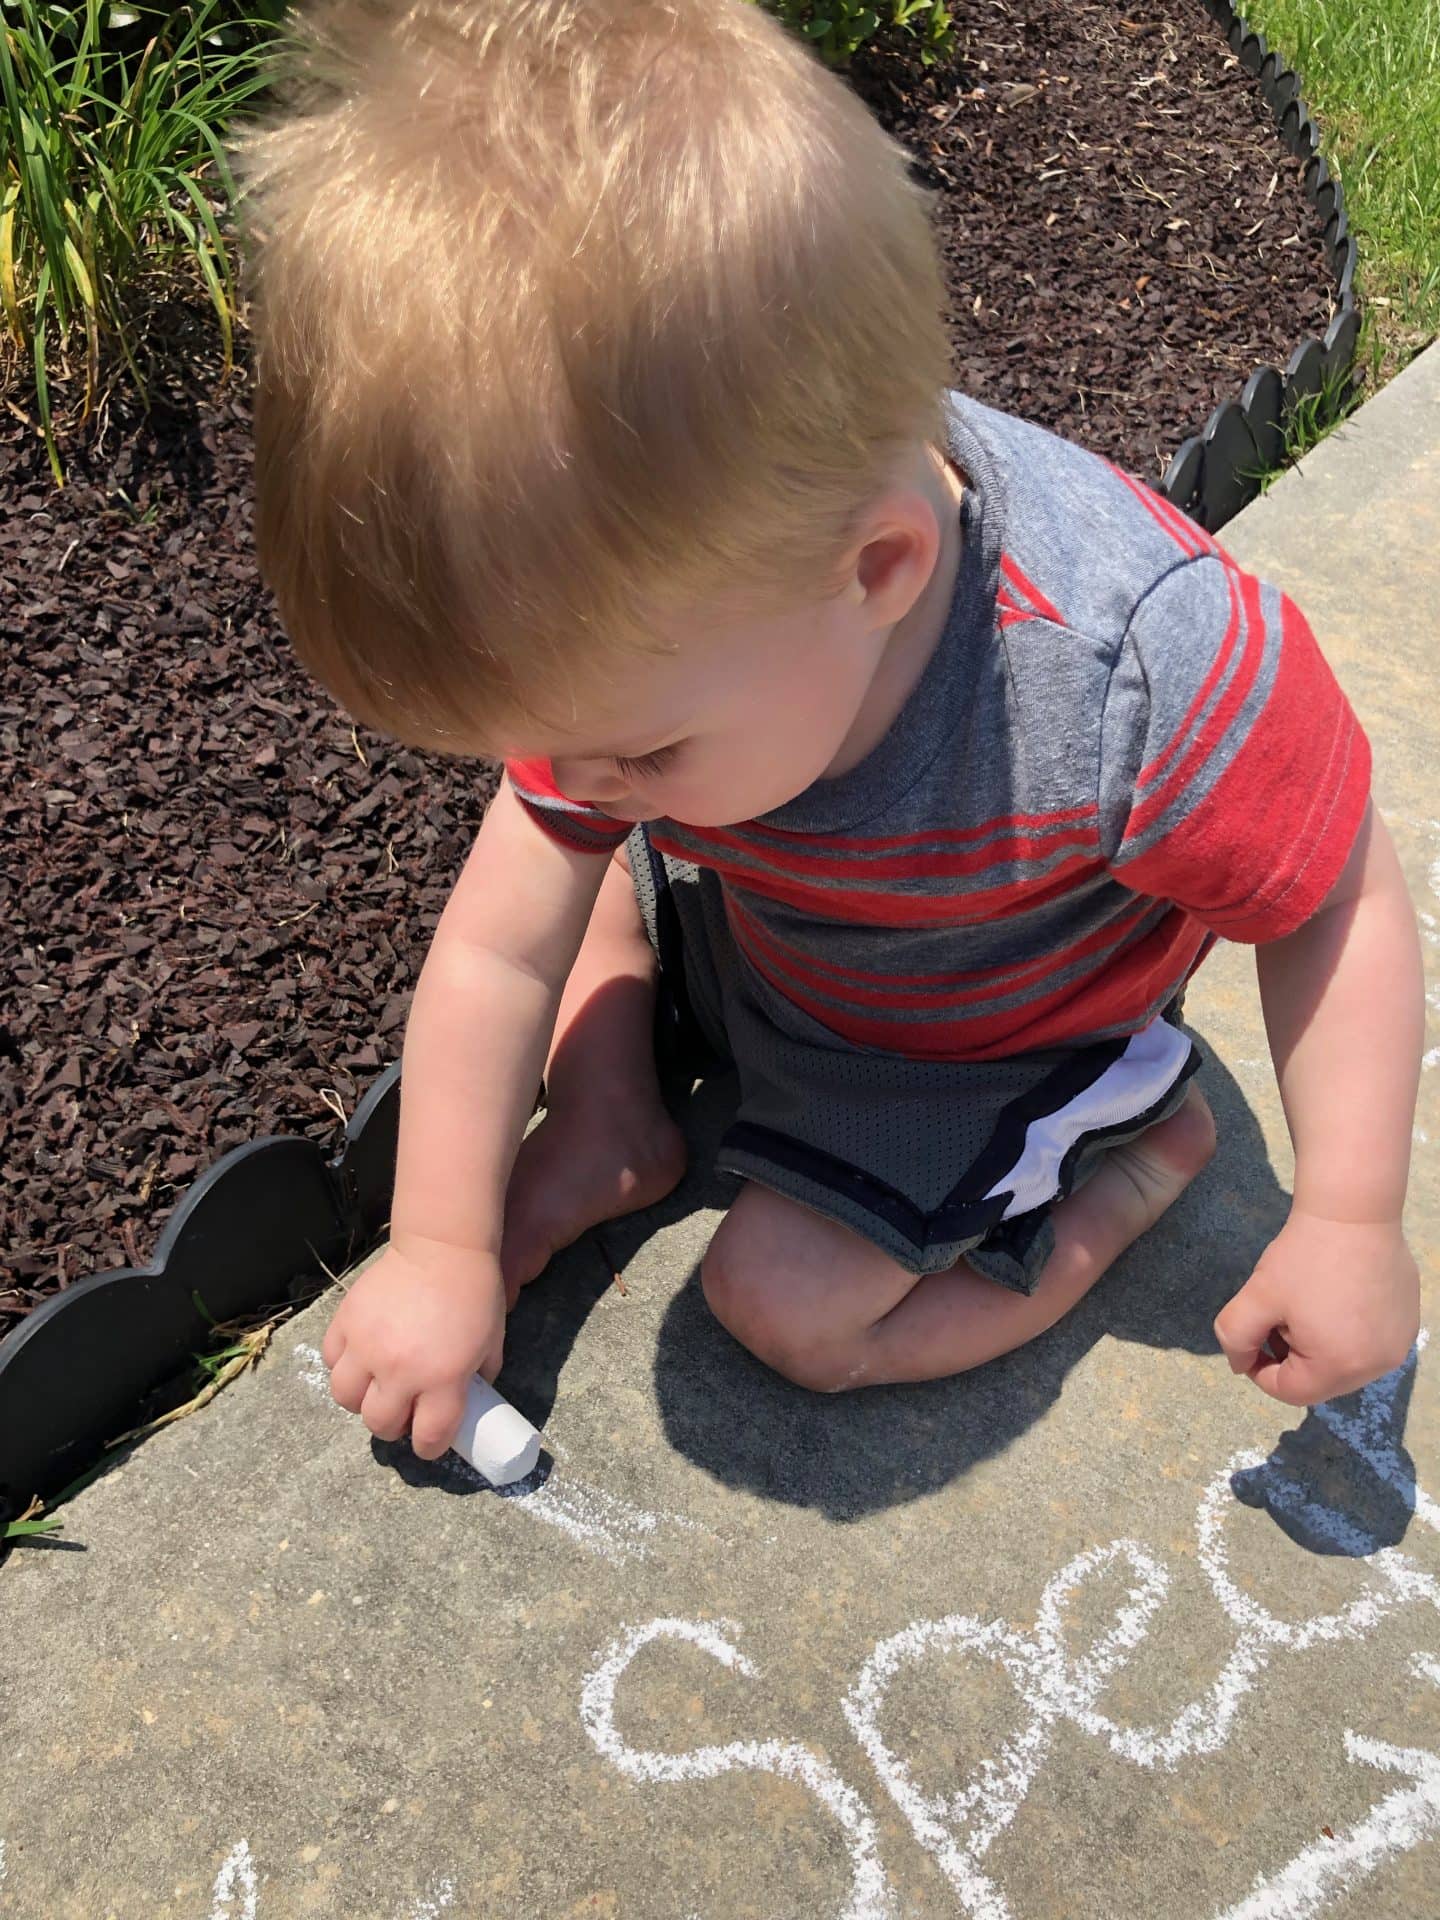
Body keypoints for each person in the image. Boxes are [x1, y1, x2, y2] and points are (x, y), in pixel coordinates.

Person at [241, 0, 1422, 1462]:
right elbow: (495, 945)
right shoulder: (702, 620)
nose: (583, 772)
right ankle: (618, 1126)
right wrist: (436, 1246)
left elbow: (1340, 894)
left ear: (878, 573)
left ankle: (1119, 1161)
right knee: (567, 881)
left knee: (786, 1308)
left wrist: (1351, 1218)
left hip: (988, 1033)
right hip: (792, 935)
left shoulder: (1128, 674)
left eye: (639, 749)